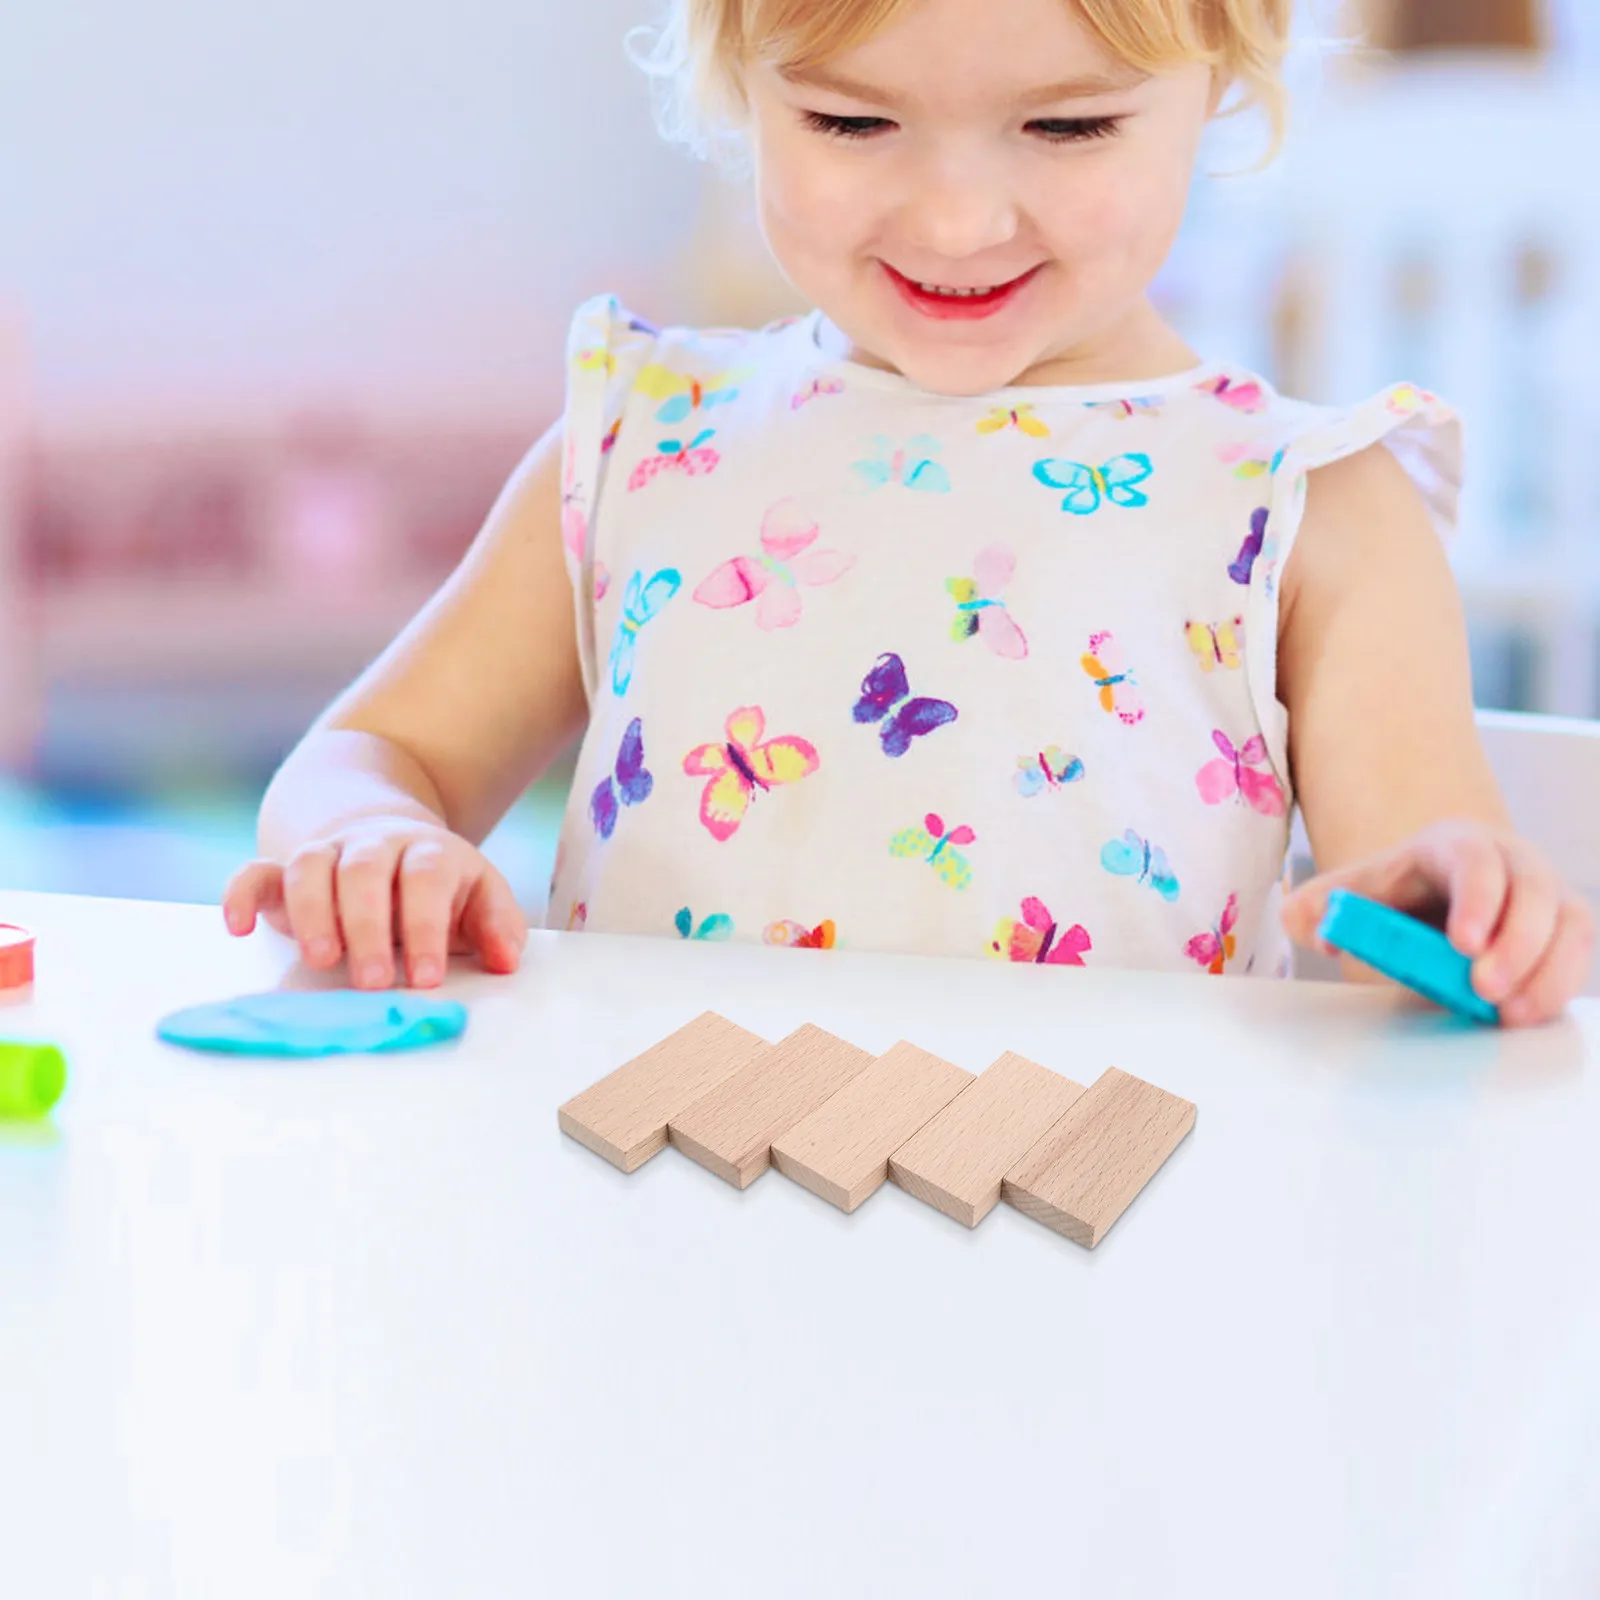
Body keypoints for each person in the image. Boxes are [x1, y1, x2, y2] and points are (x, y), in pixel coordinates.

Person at [223, 0, 1594, 1024]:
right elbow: (372, 754)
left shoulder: (1316, 505)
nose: (953, 220)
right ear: (732, 79)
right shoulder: (640, 435)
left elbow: (1407, 934)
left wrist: (1468, 910)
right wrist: (365, 836)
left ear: (1231, 71)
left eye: (1068, 125)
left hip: (1120, 1277)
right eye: (850, 121)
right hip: (653, 1255)